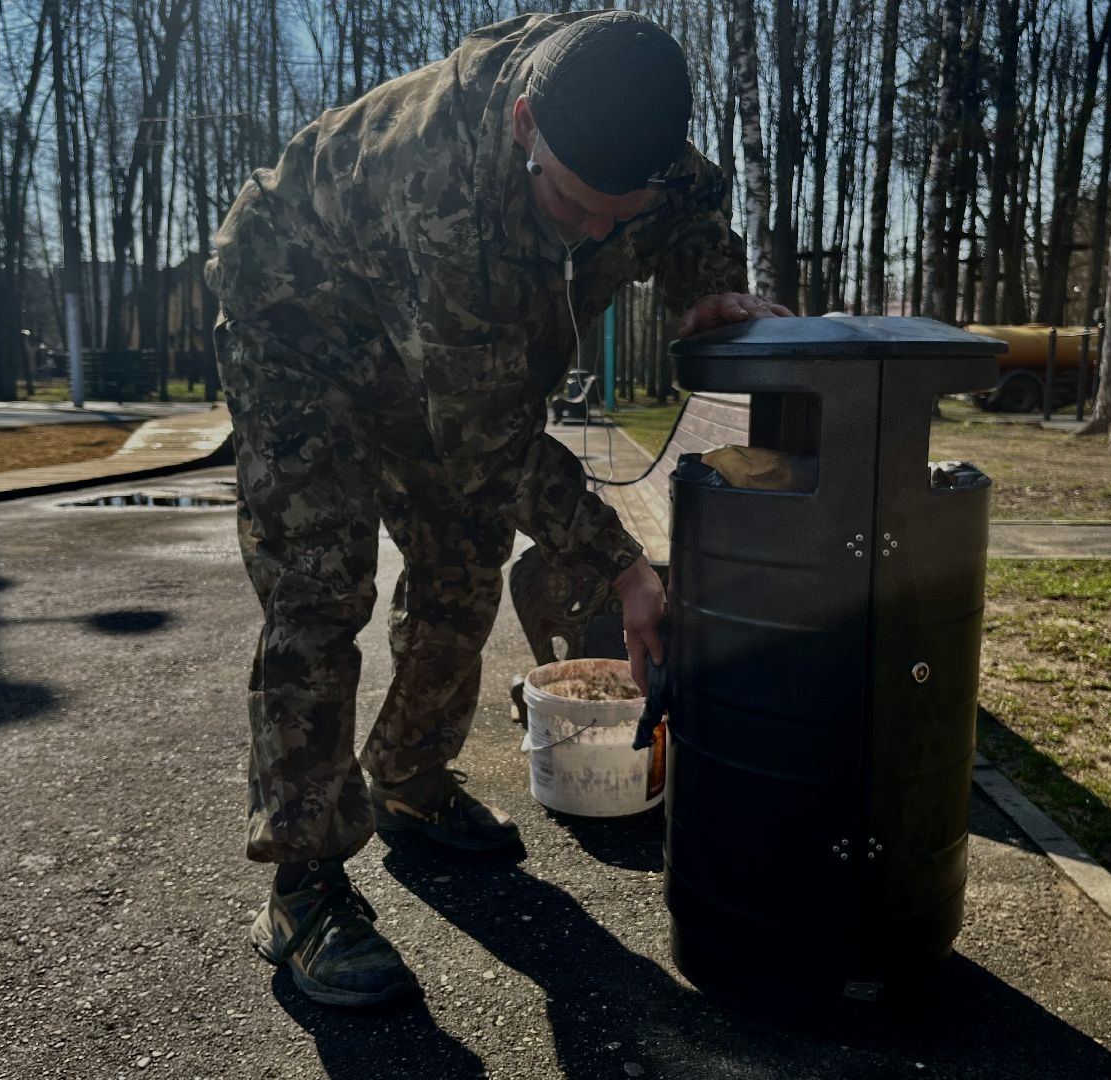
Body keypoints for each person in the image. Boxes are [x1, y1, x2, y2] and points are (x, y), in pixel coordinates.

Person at [206, 8, 792, 1008]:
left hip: (443, 347)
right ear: (524, 125)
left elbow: (691, 213)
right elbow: (485, 445)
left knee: (464, 562)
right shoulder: (441, 191)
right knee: (319, 588)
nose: (600, 231)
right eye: (577, 206)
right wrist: (623, 566)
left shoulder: (641, 134)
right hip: (300, 327)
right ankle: (301, 887)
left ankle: (409, 775)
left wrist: (711, 290)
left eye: (620, 211)